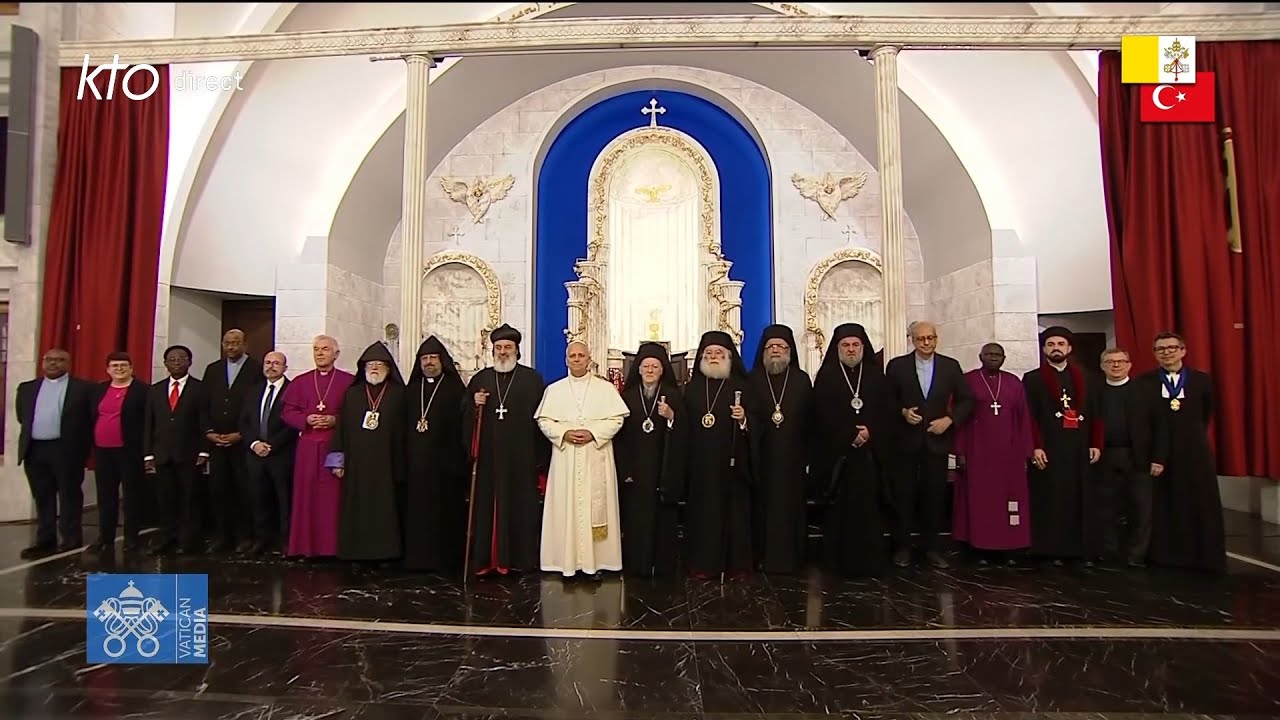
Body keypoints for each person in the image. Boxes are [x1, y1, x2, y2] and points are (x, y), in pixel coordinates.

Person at [535, 341, 630, 577]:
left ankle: (598, 562)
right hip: (565, 456)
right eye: (572, 356)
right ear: (566, 360)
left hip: (596, 454)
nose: (577, 359)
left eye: (581, 355)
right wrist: (564, 433)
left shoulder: (605, 389)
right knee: (565, 507)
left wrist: (593, 433)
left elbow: (617, 419)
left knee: (594, 508)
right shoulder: (554, 390)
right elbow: (544, 420)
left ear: (589, 359)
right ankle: (564, 562)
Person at [462, 324, 551, 576]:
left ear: (517, 351)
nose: (502, 352)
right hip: (489, 459)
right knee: (487, 508)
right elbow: (465, 414)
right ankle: (486, 560)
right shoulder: (481, 379)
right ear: (492, 351)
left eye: (508, 347)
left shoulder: (532, 380)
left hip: (521, 459)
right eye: (498, 347)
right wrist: (474, 405)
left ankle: (519, 560)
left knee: (520, 508)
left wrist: (540, 459)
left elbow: (542, 418)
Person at [1133, 332, 1226, 573]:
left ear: (1183, 350)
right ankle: (1168, 556)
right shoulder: (1144, 382)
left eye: (1171, 348)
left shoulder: (1201, 380)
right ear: (1155, 354)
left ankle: (1204, 555)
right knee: (1165, 502)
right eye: (1160, 349)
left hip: (1194, 449)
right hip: (1160, 452)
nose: (1166, 352)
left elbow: (1206, 413)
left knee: (1200, 501)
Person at [885, 321, 974, 569]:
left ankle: (931, 548)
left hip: (937, 441)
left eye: (930, 338)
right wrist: (903, 412)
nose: (926, 343)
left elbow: (966, 400)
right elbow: (887, 399)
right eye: (921, 338)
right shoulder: (897, 366)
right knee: (904, 495)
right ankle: (902, 546)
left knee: (934, 496)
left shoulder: (950, 366)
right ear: (912, 340)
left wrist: (949, 420)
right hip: (905, 442)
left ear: (936, 339)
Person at [811, 323, 892, 578]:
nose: (850, 349)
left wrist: (870, 431)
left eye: (855, 344)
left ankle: (870, 562)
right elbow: (821, 413)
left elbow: (887, 409)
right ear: (837, 348)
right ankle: (838, 562)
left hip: (869, 455)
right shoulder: (827, 376)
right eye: (845, 345)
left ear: (863, 347)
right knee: (840, 511)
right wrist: (849, 435)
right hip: (838, 455)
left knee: (869, 509)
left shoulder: (876, 375)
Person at [682, 330, 761, 581]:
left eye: (719, 353)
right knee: (703, 515)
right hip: (701, 466)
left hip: (733, 463)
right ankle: (703, 565)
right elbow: (684, 428)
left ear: (729, 357)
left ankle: (737, 566)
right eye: (709, 353)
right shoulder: (692, 389)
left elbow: (759, 423)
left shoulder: (743, 387)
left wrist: (744, 419)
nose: (714, 356)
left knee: (735, 515)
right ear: (702, 357)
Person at [1022, 326, 1103, 566]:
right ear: (1044, 349)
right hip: (1049, 447)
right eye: (1050, 344)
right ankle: (1051, 549)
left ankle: (1081, 550)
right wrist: (1035, 447)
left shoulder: (1087, 377)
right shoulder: (1032, 379)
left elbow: (1096, 413)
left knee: (1080, 497)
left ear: (1069, 348)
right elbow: (1030, 416)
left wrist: (1096, 443)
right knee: (1052, 497)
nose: (1055, 348)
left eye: (1060, 344)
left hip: (1079, 447)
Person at [951, 343, 1034, 565]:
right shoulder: (968, 381)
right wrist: (959, 451)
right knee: (980, 502)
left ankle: (1009, 548)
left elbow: (1023, 419)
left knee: (1009, 501)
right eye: (988, 354)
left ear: (1004, 358)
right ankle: (979, 548)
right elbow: (959, 419)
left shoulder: (1014, 382)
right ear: (980, 357)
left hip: (1009, 454)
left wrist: (1025, 452)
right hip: (977, 452)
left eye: (997, 355)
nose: (993, 357)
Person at [326, 342, 407, 563]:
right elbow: (341, 429)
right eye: (370, 364)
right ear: (363, 368)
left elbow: (405, 432)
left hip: (387, 464)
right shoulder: (352, 394)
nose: (374, 368)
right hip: (357, 464)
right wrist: (338, 460)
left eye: (379, 364)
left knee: (385, 508)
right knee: (357, 506)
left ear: (388, 368)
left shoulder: (399, 394)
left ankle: (385, 552)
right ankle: (355, 551)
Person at [613, 342, 688, 576]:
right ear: (638, 369)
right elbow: (619, 437)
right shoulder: (627, 397)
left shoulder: (673, 396)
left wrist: (671, 417)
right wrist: (625, 470)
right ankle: (639, 565)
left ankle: (663, 566)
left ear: (662, 370)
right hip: (636, 471)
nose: (650, 371)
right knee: (637, 519)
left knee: (663, 519)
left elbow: (685, 432)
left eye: (655, 366)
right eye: (646, 366)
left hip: (663, 469)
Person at [279, 335, 355, 559]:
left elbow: (355, 413)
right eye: (316, 349)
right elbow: (287, 412)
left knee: (333, 499)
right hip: (307, 448)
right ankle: (306, 547)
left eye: (325, 349)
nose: (320, 353)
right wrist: (306, 419)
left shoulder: (349, 381)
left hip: (335, 445)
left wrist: (334, 420)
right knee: (306, 498)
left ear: (336, 354)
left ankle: (332, 547)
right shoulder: (301, 381)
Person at [747, 324, 813, 574]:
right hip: (762, 457)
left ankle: (793, 558)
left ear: (789, 351)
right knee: (762, 509)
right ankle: (761, 556)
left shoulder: (801, 380)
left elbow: (810, 419)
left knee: (791, 508)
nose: (775, 350)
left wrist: (807, 454)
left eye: (781, 346)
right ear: (763, 351)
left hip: (793, 458)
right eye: (770, 346)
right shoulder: (753, 379)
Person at [15, 348, 94, 558]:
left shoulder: (84, 389)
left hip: (67, 450)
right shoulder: (27, 388)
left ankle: (71, 538)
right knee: (42, 496)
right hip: (35, 450)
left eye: (59, 360)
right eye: (49, 359)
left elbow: (90, 419)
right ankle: (45, 540)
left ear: (68, 364)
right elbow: (22, 417)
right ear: (43, 362)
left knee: (69, 494)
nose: (53, 363)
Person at [402, 335, 469, 573]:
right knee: (417, 513)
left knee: (445, 513)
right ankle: (417, 559)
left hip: (446, 467)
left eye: (433, 357)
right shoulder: (411, 390)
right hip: (416, 466)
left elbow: (464, 425)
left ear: (442, 361)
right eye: (425, 358)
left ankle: (447, 560)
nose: (429, 362)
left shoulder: (455, 389)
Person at [143, 345, 211, 555]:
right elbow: (149, 423)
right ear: (165, 364)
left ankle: (188, 540)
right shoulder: (155, 390)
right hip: (162, 453)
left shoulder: (200, 389)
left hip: (189, 454)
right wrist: (148, 454)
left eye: (182, 359)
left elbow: (205, 421)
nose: (177, 363)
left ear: (190, 362)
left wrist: (204, 451)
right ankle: (167, 537)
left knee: (189, 499)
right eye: (172, 359)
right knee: (165, 499)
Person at [202, 329, 264, 553]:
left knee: (243, 491)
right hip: (217, 441)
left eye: (236, 343)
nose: (231, 347)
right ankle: (222, 536)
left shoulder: (256, 369)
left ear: (245, 344)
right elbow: (204, 403)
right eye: (227, 343)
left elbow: (259, 405)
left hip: (243, 442)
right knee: (219, 491)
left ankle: (244, 536)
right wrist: (208, 431)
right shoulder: (213, 370)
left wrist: (242, 433)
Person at [86, 352, 149, 555]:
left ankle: (131, 538)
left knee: (132, 497)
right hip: (102, 450)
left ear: (131, 368)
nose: (119, 369)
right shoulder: (99, 389)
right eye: (115, 366)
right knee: (106, 496)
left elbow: (148, 422)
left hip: (130, 451)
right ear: (108, 369)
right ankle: (105, 538)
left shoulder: (143, 390)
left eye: (123, 365)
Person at [1096, 347, 1152, 567]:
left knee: (1141, 508)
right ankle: (1109, 551)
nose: (1116, 365)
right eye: (1110, 361)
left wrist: (1157, 457)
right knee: (1106, 507)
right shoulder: (1095, 392)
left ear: (1129, 365)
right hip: (1105, 456)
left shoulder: (1144, 391)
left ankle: (1137, 554)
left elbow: (1158, 424)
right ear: (1102, 366)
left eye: (1120, 361)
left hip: (1137, 456)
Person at [239, 352, 297, 556]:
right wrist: (254, 443)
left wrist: (272, 445)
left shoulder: (292, 390)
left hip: (281, 455)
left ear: (285, 368)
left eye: (276, 363)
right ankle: (261, 539)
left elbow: (292, 423)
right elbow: (244, 421)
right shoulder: (253, 390)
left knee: (284, 499)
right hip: (255, 455)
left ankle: (286, 541)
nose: (271, 366)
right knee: (258, 498)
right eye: (268, 362)